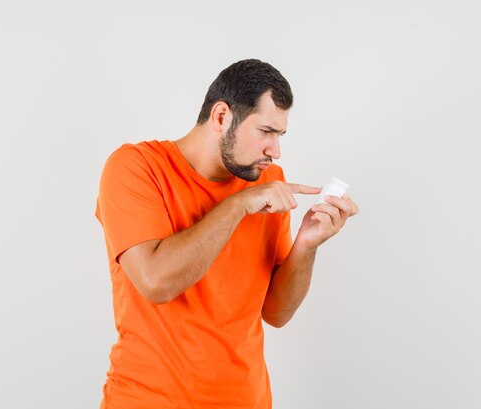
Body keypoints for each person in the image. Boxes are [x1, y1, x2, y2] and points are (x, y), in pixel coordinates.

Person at [95, 59, 359, 408]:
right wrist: (239, 205)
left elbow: (276, 313)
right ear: (221, 116)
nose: (274, 151)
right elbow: (156, 281)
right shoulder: (136, 167)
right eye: (265, 131)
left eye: (279, 135)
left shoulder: (266, 181)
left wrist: (307, 243)